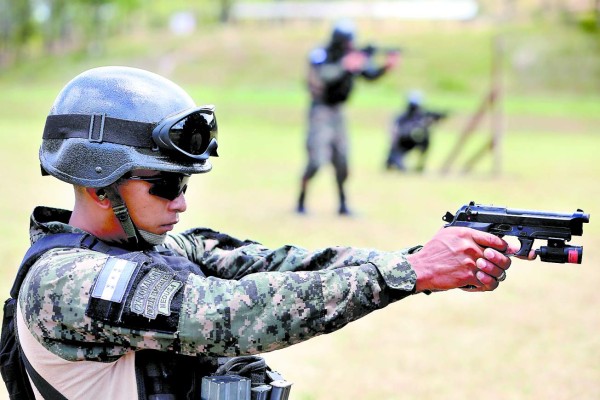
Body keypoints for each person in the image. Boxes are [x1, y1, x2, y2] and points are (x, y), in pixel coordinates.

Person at [8, 66, 524, 400]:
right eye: (165, 184)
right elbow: (229, 315)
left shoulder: (159, 246)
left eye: (184, 182)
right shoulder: (64, 282)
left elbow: (283, 264)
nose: (182, 201)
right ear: (100, 186)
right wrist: (411, 272)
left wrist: (426, 262)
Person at [296, 20, 399, 215]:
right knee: (316, 160)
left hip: (338, 112)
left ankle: (343, 204)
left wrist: (385, 67)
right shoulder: (321, 54)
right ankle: (301, 202)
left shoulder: (352, 56)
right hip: (321, 111)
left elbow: (368, 75)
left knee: (342, 160)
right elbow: (324, 76)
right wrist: (345, 65)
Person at [386, 90, 447, 172]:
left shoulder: (421, 115)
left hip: (415, 142)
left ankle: (418, 166)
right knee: (393, 160)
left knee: (424, 139)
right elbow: (394, 132)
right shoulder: (404, 117)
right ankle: (399, 164)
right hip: (404, 142)